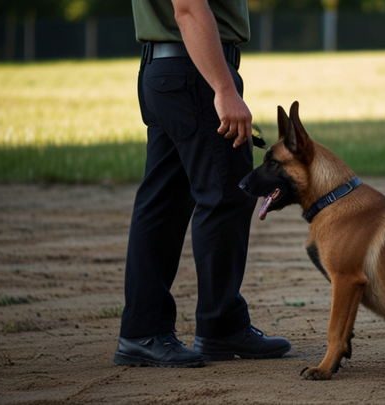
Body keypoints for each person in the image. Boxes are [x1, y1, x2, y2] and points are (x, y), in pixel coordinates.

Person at [114, 0, 290, 368]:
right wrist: (224, 89)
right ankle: (218, 325)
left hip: (172, 68)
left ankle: (143, 331)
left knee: (163, 201)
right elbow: (189, 8)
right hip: (195, 71)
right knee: (226, 193)